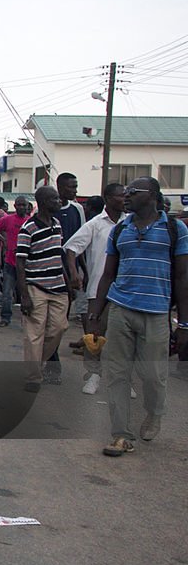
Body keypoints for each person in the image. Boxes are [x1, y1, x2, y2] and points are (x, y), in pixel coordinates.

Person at [89, 177, 188, 456]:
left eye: (133, 192)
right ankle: (121, 435)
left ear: (153, 196)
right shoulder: (120, 230)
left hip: (157, 313)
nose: (126, 196)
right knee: (117, 374)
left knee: (154, 376)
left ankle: (154, 413)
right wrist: (96, 314)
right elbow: (107, 274)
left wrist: (183, 322)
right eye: (124, 192)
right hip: (121, 309)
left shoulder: (174, 229)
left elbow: (182, 277)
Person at [64, 183, 125, 394]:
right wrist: (74, 274)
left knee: (124, 340)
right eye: (120, 195)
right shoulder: (95, 224)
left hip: (125, 291)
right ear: (108, 198)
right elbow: (71, 248)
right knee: (94, 337)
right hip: (98, 289)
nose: (125, 198)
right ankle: (93, 375)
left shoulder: (132, 224)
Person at [16, 186, 68, 392]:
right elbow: (20, 263)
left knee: (59, 328)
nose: (59, 201)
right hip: (36, 286)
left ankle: (36, 363)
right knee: (34, 334)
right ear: (44, 202)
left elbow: (57, 256)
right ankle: (33, 377)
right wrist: (24, 295)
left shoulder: (57, 224)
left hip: (57, 286)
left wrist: (67, 279)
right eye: (54, 199)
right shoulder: (28, 228)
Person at [0, 196, 30, 327]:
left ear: (27, 206)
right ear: (15, 206)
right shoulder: (8, 220)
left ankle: (28, 320)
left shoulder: (30, 222)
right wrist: (3, 240)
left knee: (29, 293)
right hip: (10, 262)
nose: (21, 207)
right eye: (18, 205)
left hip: (27, 264)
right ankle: (5, 318)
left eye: (23, 205)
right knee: (7, 292)